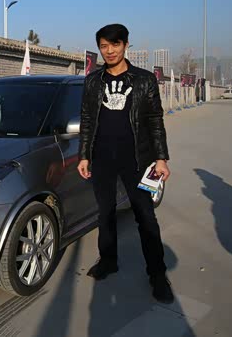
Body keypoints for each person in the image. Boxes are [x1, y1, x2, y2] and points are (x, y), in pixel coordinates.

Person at [77, 23, 174, 304]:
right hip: (102, 158)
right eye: (103, 46)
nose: (109, 51)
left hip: (137, 159)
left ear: (126, 45)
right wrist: (84, 155)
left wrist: (161, 158)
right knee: (105, 213)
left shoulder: (144, 80)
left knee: (145, 217)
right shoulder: (92, 81)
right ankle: (108, 261)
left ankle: (157, 275)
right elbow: (87, 119)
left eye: (115, 45)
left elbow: (155, 120)